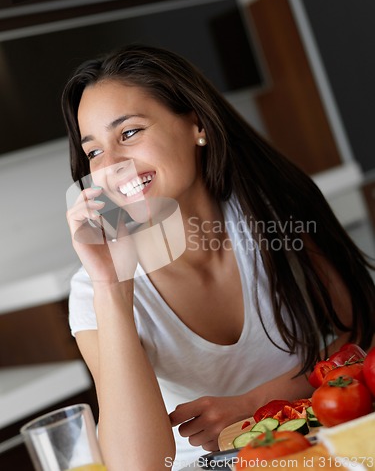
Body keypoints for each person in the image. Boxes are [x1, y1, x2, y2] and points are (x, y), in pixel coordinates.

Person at [62, 44, 375, 470]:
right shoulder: (91, 291)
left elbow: (357, 337)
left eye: (129, 132)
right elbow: (140, 467)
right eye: (94, 151)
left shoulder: (271, 214)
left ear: (197, 126)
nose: (111, 164)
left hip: (314, 445)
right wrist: (112, 285)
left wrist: (257, 402)